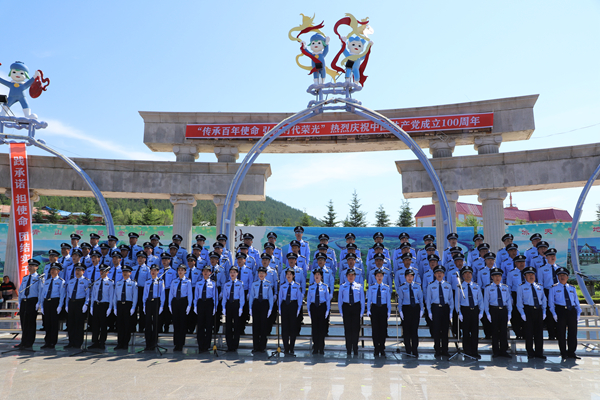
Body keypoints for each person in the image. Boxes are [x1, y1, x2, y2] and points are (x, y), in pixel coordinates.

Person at [549, 267, 581, 361]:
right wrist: (554, 314)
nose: (562, 277)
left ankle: (571, 352)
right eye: (560, 275)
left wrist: (578, 312)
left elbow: (576, 301)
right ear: (557, 277)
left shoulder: (572, 288)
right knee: (561, 333)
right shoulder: (553, 288)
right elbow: (551, 303)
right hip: (560, 311)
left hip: (571, 311)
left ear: (567, 277)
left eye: (564, 275)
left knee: (573, 332)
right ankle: (563, 353)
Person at [517, 266, 547, 360]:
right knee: (529, 333)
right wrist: (522, 313)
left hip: (538, 310)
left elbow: (544, 300)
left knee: (539, 333)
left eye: (532, 274)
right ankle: (530, 352)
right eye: (529, 274)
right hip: (528, 310)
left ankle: (539, 352)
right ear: (524, 276)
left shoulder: (539, 286)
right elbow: (519, 302)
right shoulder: (521, 287)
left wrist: (544, 311)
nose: (531, 276)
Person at [455, 266, 484, 359]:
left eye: (469, 273)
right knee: (466, 332)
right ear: (463, 276)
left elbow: (480, 300)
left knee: (475, 332)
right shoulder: (459, 287)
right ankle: (467, 351)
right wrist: (459, 313)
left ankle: (474, 351)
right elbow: (457, 302)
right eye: (466, 273)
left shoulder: (476, 286)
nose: (468, 275)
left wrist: (481, 311)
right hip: (465, 310)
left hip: (474, 310)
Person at [483, 267, 512, 358]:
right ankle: (496, 351)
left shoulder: (505, 287)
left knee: (503, 331)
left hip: (503, 310)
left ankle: (504, 350)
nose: (497, 278)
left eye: (499, 276)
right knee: (494, 331)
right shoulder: (488, 288)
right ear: (492, 277)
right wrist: (487, 313)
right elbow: (486, 302)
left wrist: (509, 312)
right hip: (494, 310)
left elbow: (508, 301)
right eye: (495, 276)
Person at [426, 264, 453, 358]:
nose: (439, 274)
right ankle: (437, 350)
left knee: (445, 330)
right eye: (437, 273)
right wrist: (429, 312)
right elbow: (428, 300)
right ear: (434, 274)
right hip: (436, 308)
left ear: (444, 274)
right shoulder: (430, 286)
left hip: (445, 308)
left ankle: (445, 350)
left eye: (441, 273)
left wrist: (451, 311)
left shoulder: (448, 285)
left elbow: (451, 299)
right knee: (436, 330)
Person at [16, 260, 43, 350]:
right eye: (29, 266)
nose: (30, 267)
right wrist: (20, 302)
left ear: (36, 267)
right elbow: (21, 291)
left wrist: (38, 303)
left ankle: (29, 342)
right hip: (24, 301)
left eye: (32, 266)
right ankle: (23, 342)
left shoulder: (39, 278)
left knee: (30, 323)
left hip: (32, 301)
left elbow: (40, 291)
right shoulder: (25, 278)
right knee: (24, 322)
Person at [397, 268, 423, 357]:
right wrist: (400, 311)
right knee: (406, 331)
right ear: (405, 277)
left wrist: (421, 309)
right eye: (408, 276)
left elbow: (420, 299)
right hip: (406, 308)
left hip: (415, 308)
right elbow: (400, 300)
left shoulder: (417, 286)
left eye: (411, 276)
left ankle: (415, 350)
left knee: (414, 331)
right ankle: (408, 350)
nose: (409, 278)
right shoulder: (402, 287)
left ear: (413, 277)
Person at [339, 268, 365, 356]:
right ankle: (348, 349)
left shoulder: (359, 286)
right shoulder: (342, 286)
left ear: (355, 276)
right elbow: (340, 300)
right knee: (347, 329)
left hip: (356, 308)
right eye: (349, 275)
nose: (351, 277)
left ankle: (355, 348)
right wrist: (341, 312)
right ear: (346, 276)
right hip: (346, 308)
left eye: (352, 275)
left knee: (355, 330)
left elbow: (362, 300)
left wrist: (361, 312)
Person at [40, 263, 65, 349]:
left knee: (54, 323)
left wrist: (60, 306)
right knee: (47, 323)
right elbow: (43, 294)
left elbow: (62, 295)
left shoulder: (61, 281)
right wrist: (42, 306)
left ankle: (52, 342)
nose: (52, 271)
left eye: (54, 269)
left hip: (55, 302)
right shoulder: (47, 281)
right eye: (51, 269)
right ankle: (47, 341)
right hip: (47, 302)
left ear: (58, 271)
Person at [278, 266, 303, 355]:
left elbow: (299, 299)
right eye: (287, 274)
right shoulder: (282, 286)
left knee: (293, 328)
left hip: (293, 305)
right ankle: (286, 347)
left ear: (293, 276)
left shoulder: (297, 286)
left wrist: (298, 309)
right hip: (285, 305)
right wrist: (279, 308)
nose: (288, 276)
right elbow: (280, 298)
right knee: (284, 328)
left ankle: (291, 347)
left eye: (290, 274)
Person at [249, 266, 274, 353]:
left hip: (264, 304)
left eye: (263, 273)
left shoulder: (268, 284)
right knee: (256, 325)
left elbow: (270, 297)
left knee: (264, 326)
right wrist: (250, 308)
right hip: (256, 304)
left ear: (266, 274)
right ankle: (255, 346)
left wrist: (270, 308)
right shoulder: (254, 284)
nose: (261, 274)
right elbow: (251, 296)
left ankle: (262, 346)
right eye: (260, 273)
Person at [65, 263, 90, 349]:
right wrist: (67, 305)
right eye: (76, 270)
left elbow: (88, 294)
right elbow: (68, 294)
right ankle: (71, 342)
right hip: (72, 303)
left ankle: (78, 343)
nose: (77, 272)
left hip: (80, 303)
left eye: (79, 270)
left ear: (83, 271)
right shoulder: (71, 281)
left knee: (79, 324)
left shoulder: (86, 281)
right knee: (71, 323)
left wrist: (86, 304)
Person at [367, 268, 391, 357]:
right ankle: (376, 347)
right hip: (375, 308)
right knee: (375, 329)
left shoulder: (386, 287)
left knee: (383, 329)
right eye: (377, 276)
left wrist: (389, 311)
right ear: (375, 277)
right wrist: (368, 310)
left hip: (383, 308)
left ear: (383, 276)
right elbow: (369, 299)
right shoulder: (371, 287)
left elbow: (388, 301)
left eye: (381, 275)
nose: (379, 277)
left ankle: (382, 347)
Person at [168, 264, 193, 352]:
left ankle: (181, 344)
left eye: (182, 270)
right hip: (175, 302)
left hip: (183, 302)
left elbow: (190, 294)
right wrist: (169, 304)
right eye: (179, 270)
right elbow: (171, 293)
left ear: (185, 271)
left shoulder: (188, 281)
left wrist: (189, 305)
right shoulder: (174, 281)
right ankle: (176, 344)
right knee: (176, 324)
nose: (180, 271)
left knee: (182, 324)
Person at [89, 264, 114, 350]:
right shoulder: (96, 282)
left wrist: (110, 307)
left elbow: (111, 296)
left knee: (103, 325)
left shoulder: (110, 282)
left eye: (104, 271)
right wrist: (91, 306)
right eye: (101, 271)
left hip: (104, 305)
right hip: (97, 304)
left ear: (107, 272)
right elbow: (93, 295)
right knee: (95, 325)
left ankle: (102, 342)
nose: (102, 272)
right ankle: (95, 342)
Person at [113, 265, 138, 350]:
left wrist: (133, 307)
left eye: (126, 272)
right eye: (123, 272)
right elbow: (115, 296)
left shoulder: (133, 283)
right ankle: (119, 343)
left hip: (128, 304)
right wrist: (115, 307)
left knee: (127, 325)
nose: (125, 273)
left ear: (130, 273)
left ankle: (125, 343)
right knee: (120, 325)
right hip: (120, 304)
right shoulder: (118, 283)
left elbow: (135, 296)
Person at [194, 265, 217, 353]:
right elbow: (196, 296)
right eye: (204, 271)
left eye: (207, 271)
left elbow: (215, 296)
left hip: (209, 303)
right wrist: (195, 306)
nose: (205, 273)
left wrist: (214, 307)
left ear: (210, 272)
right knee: (200, 325)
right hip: (201, 303)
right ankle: (201, 345)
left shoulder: (213, 283)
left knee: (208, 325)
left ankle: (207, 345)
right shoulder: (198, 283)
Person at [307, 268, 330, 355]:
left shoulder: (325, 286)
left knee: (321, 328)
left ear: (321, 276)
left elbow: (327, 300)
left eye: (318, 275)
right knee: (314, 328)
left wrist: (327, 310)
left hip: (322, 307)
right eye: (315, 275)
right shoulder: (311, 287)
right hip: (314, 307)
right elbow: (308, 300)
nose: (317, 276)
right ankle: (315, 347)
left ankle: (321, 347)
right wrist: (309, 310)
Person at [142, 264, 165, 352]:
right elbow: (145, 294)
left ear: (158, 272)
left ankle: (154, 343)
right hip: (148, 302)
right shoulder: (147, 282)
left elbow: (162, 294)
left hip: (156, 302)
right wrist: (144, 305)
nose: (153, 272)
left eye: (155, 270)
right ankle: (148, 344)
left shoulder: (160, 281)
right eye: (152, 270)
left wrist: (161, 305)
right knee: (148, 323)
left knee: (155, 323)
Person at [222, 265, 245, 352]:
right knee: (228, 325)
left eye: (234, 272)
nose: (232, 274)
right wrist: (224, 307)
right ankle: (229, 345)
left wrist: (241, 308)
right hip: (229, 304)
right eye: (231, 272)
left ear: (237, 273)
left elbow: (242, 296)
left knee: (236, 325)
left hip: (236, 304)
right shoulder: (226, 284)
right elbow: (224, 296)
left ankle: (235, 345)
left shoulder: (240, 283)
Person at [507, 254, 527, 339]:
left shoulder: (529, 272)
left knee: (526, 313)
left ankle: (525, 333)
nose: (521, 264)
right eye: (519, 262)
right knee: (515, 315)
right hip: (515, 294)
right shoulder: (511, 273)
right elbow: (508, 286)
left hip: (526, 294)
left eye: (523, 262)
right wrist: (510, 298)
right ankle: (518, 333)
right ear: (515, 263)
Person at [132, 251, 151, 333]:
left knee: (142, 309)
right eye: (139, 258)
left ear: (145, 259)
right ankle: (132, 327)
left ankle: (141, 327)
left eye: (142, 258)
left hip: (142, 290)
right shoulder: (133, 268)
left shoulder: (147, 269)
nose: (140, 259)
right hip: (134, 289)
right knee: (133, 307)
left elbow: (149, 281)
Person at [159, 253, 178, 333]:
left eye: (166, 260)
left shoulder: (173, 271)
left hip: (168, 291)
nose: (164, 261)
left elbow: (174, 284)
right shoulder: (159, 271)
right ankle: (159, 327)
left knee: (167, 309)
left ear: (169, 261)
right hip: (160, 291)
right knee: (160, 308)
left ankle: (166, 327)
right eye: (163, 260)